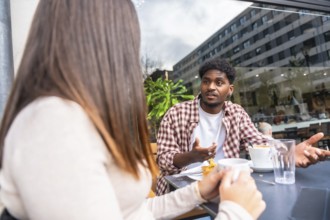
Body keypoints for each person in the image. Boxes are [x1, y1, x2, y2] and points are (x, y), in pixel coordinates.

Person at [0, 0, 265, 219]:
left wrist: (197, 193)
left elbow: (133, 212)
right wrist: (237, 212)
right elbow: (163, 165)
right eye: (128, 35)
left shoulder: (81, 117)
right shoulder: (54, 123)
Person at [156, 58, 330, 195]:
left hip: (225, 186)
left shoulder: (236, 112)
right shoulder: (176, 113)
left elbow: (258, 141)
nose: (210, 87)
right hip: (182, 190)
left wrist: (289, 151)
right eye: (206, 81)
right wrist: (191, 156)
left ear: (230, 89)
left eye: (218, 82)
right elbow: (164, 161)